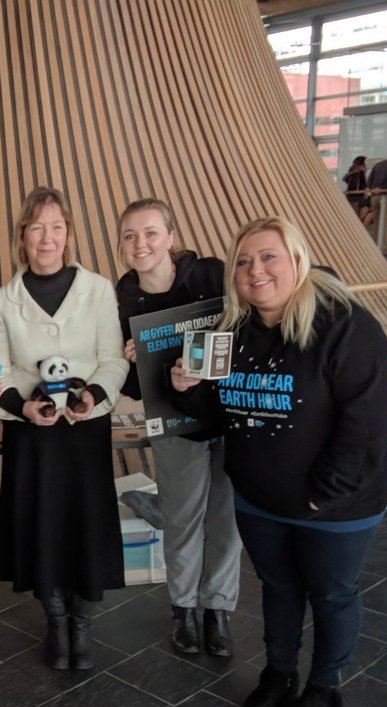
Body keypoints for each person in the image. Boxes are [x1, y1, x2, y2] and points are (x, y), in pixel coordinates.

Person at [170, 216, 387, 707]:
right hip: (259, 499)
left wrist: (321, 495)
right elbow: (219, 411)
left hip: (334, 504)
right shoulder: (233, 331)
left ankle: (324, 687)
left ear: (297, 259)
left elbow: (368, 424)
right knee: (278, 587)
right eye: (244, 261)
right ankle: (279, 674)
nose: (256, 270)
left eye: (268, 256)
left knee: (332, 592)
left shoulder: (347, 326)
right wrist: (187, 387)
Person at [0, 186, 130, 670]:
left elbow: (112, 359)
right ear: (22, 237)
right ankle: (53, 618)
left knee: (85, 527)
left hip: (84, 432)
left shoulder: (98, 289)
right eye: (36, 227)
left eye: (56, 226)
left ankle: (82, 622)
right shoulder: (3, 300)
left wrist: (93, 394)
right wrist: (22, 407)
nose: (46, 237)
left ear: (68, 233)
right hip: (33, 436)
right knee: (40, 528)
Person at [116, 198, 240, 657]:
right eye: (130, 235)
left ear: (170, 235)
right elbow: (133, 385)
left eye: (150, 232)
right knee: (182, 519)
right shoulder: (124, 296)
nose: (140, 243)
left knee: (227, 519)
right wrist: (131, 360)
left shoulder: (212, 275)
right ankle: (183, 609)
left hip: (228, 417)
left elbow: (243, 330)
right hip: (175, 423)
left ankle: (218, 609)